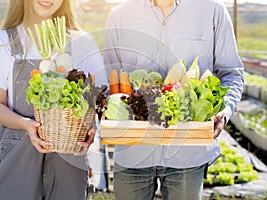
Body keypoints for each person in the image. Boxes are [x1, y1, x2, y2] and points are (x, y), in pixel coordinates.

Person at [104, 0, 244, 199]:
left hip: (187, 154)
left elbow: (232, 73)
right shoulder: (120, 15)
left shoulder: (212, 10)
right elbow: (109, 78)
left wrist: (224, 110)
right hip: (133, 151)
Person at [0, 0, 107, 199]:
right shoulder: (1, 41)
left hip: (68, 162)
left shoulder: (83, 43)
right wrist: (27, 124)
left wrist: (92, 128)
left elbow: (98, 102)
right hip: (16, 158)